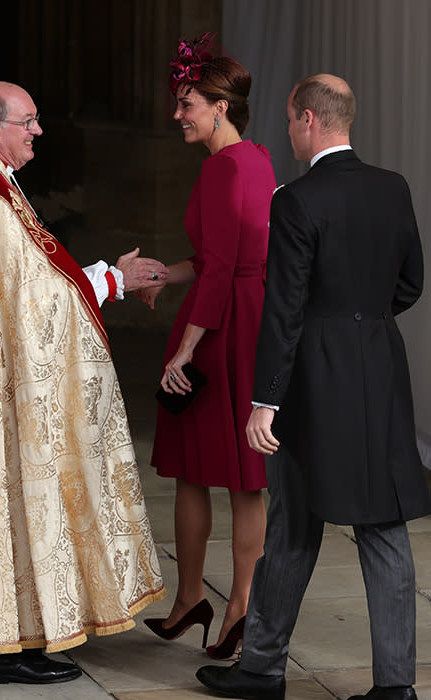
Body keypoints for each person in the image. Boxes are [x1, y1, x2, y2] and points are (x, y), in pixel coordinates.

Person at [196, 73, 431, 700]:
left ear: (306, 120)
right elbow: (410, 284)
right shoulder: (394, 188)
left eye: (290, 120)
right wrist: (363, 327)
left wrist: (263, 400)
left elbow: (284, 310)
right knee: (383, 527)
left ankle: (260, 670)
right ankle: (396, 689)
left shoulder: (297, 200)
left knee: (293, 525)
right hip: (380, 372)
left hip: (310, 383)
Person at [0, 80, 168, 685]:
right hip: (3, 378)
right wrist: (113, 280)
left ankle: (11, 630)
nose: (39, 130)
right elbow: (36, 300)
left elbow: (29, 274)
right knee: (8, 493)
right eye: (29, 121)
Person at [138, 33, 276, 659]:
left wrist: (185, 349)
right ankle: (205, 600)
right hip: (238, 318)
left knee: (228, 471)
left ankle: (233, 606)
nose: (178, 115)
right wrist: (167, 276)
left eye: (186, 102)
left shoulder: (225, 168)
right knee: (214, 471)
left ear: (219, 105)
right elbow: (215, 258)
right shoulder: (256, 160)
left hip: (223, 330)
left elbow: (223, 269)